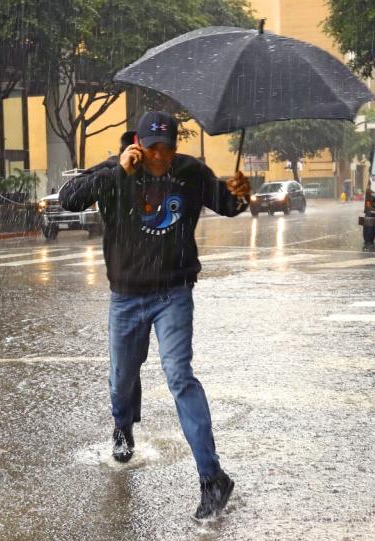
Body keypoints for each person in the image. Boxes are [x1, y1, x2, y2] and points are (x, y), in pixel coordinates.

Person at [57, 111, 251, 520]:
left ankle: (212, 478)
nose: (161, 156)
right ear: (138, 144)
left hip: (173, 293)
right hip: (126, 296)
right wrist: (116, 175)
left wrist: (239, 195)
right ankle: (123, 425)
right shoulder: (116, 169)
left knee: (180, 377)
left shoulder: (189, 172)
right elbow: (68, 198)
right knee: (121, 381)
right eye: (153, 148)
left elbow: (227, 204)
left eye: (168, 148)